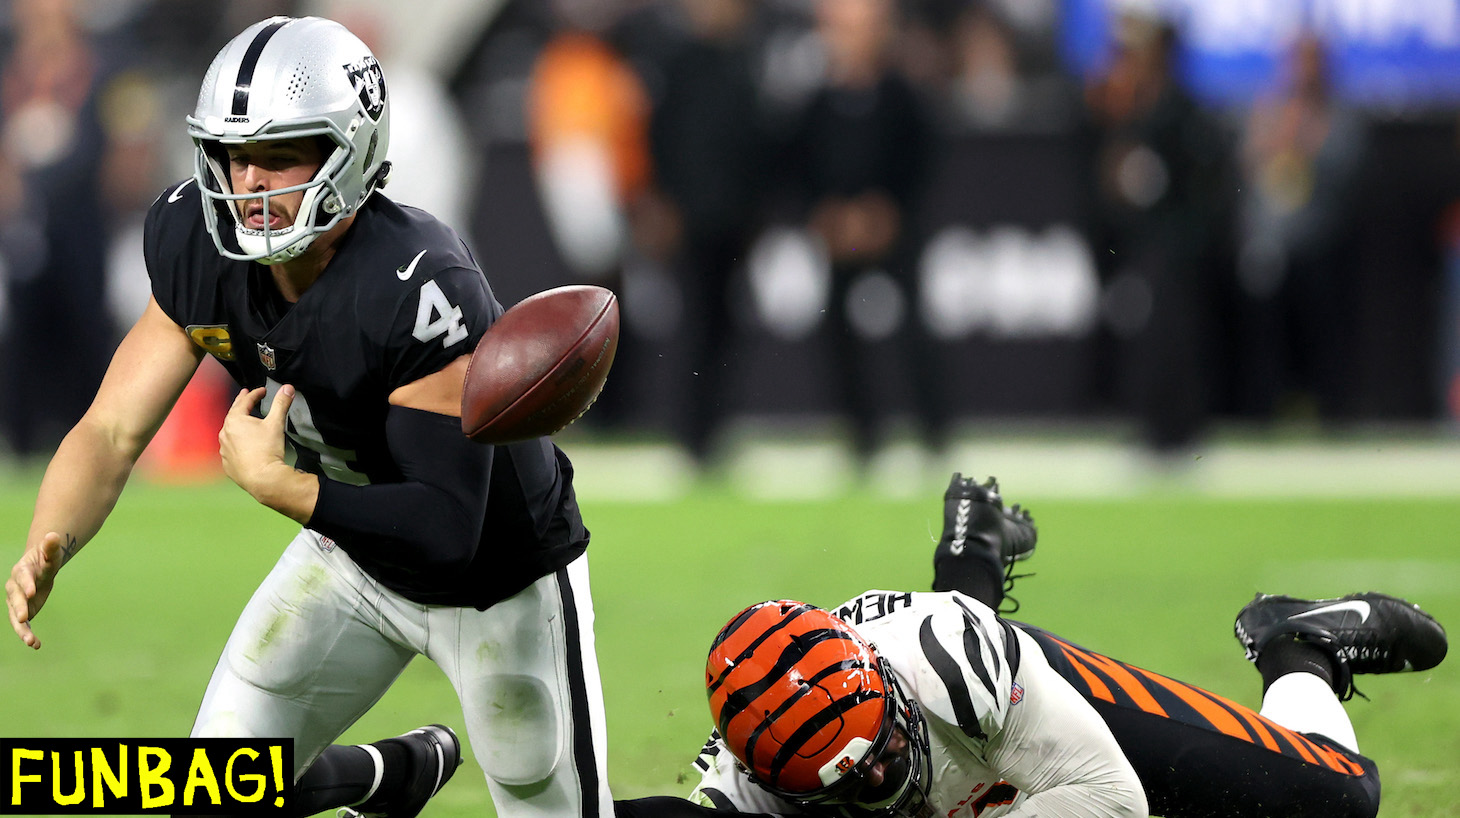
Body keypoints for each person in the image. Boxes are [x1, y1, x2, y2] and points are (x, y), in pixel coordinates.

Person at [5, 16, 613, 818]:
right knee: (209, 792)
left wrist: (282, 488)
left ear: (348, 154)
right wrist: (49, 540)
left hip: (497, 579)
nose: (249, 181)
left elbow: (445, 528)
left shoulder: (416, 287)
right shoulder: (196, 240)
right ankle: (381, 776)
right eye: (234, 154)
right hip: (353, 557)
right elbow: (112, 430)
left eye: (280, 154)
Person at [613, 473, 1447, 818]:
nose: (882, 778)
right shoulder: (753, 783)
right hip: (927, 676)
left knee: (1341, 800)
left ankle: (1301, 645)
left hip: (1017, 686)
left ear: (882, 685)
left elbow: (1112, 799)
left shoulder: (954, 663)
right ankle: (975, 542)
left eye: (878, 750)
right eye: (854, 782)